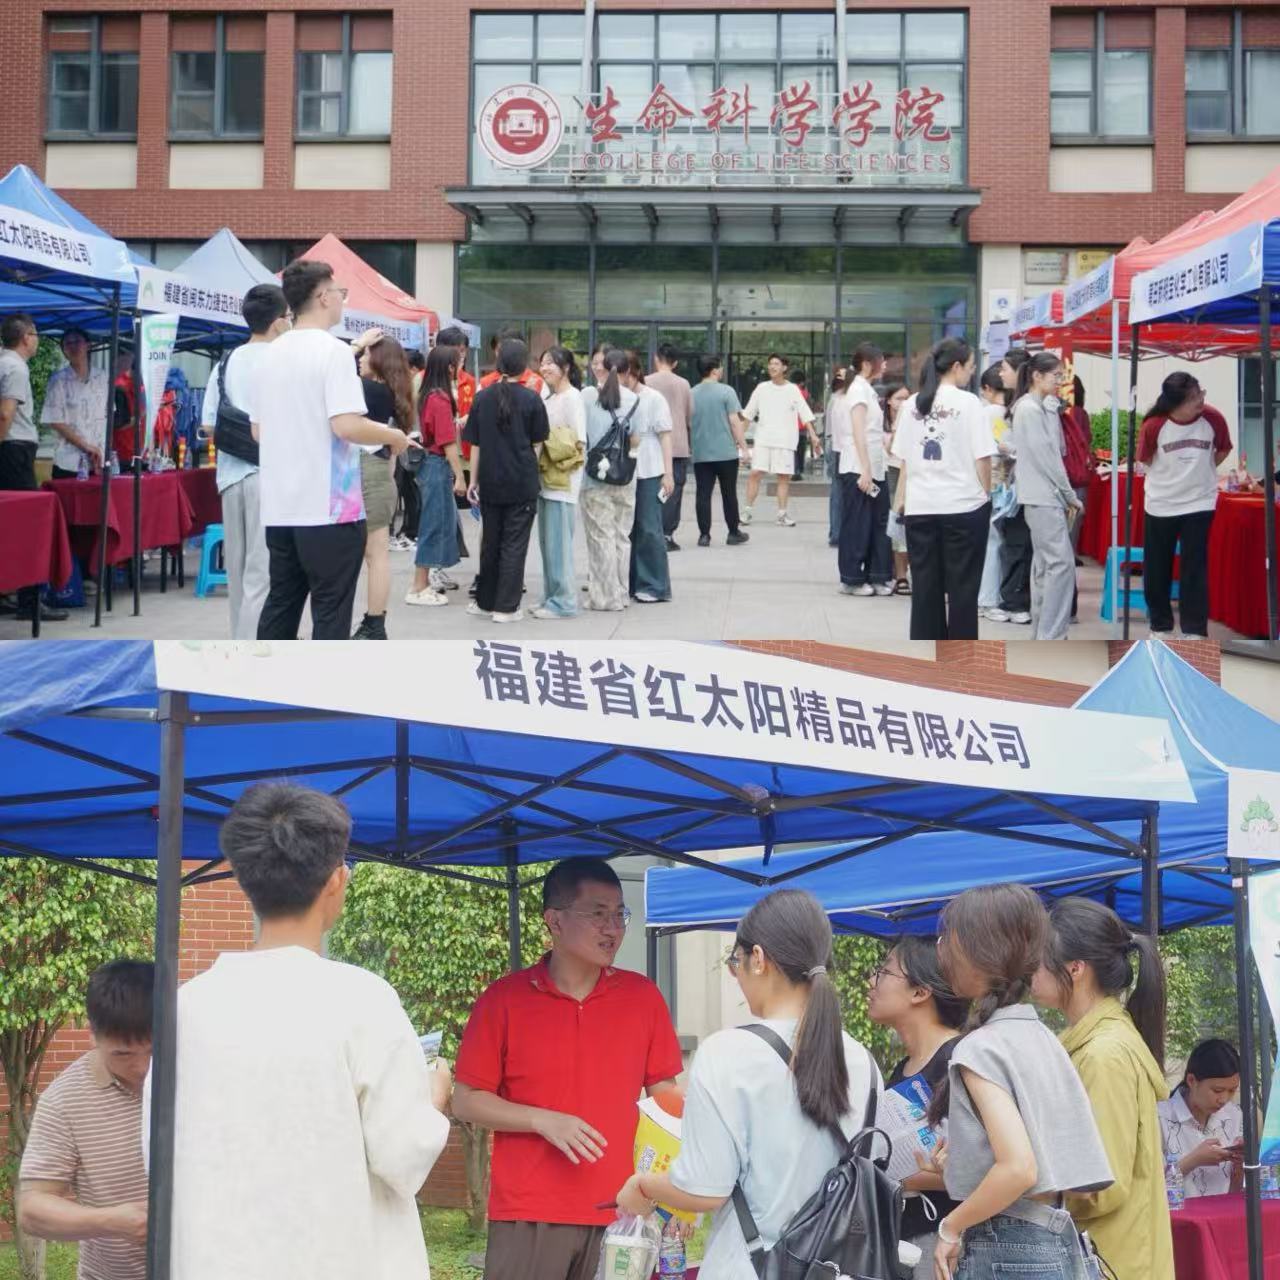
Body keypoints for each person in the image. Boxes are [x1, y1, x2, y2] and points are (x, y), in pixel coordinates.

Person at [152, 783, 451, 1280]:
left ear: (243, 879)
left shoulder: (185, 1008)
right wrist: (433, 1096)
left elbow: (158, 1159)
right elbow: (403, 1156)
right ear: (336, 880)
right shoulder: (362, 1000)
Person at [614, 889, 882, 1280]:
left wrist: (642, 1185)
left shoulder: (727, 1053)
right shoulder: (863, 1061)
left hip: (749, 1268)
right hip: (838, 1270)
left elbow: (704, 1188)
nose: (735, 974)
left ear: (757, 959)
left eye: (734, 961)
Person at [453, 858, 683, 1280]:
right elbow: (466, 1101)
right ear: (554, 921)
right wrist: (542, 1120)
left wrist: (675, 1192)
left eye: (619, 915)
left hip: (623, 1211)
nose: (613, 929)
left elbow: (665, 1101)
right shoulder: (503, 1000)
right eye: (598, 914)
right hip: (529, 1213)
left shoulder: (643, 997)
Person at [929, 883, 1113, 1280]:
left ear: (981, 951)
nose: (941, 950)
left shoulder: (981, 1047)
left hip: (1007, 1243)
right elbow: (1073, 1176)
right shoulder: (1044, 1036)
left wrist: (950, 1227)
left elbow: (1019, 1168)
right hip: (1056, 1237)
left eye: (949, 939)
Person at [250, 259, 412, 640]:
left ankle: (264, 676)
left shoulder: (268, 354)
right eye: (341, 293)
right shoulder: (334, 352)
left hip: (280, 506)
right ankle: (324, 678)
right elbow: (346, 425)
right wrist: (394, 436)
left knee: (281, 603)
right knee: (331, 611)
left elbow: (258, 431)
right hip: (329, 510)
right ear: (323, 297)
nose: (342, 300)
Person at [1030, 898, 1173, 1280]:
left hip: (1110, 1261)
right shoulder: (1091, 1044)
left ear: (1075, 969)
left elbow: (1100, 1185)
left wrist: (1018, 1181)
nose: (1030, 969)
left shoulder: (1103, 1055)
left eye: (1038, 958)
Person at [18, 961, 154, 1280]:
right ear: (93, 1033)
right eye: (123, 1054)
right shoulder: (64, 1100)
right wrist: (112, 1221)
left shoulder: (195, 1072)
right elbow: (32, 1209)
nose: (143, 1068)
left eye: (153, 1050)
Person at [866, 936, 969, 1280]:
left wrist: (887, 1176)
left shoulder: (961, 1060)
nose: (871, 981)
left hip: (946, 1245)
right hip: (905, 1241)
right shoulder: (903, 1068)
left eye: (883, 972)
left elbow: (982, 1171)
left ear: (920, 992)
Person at [199, 284, 290, 640]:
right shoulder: (282, 361)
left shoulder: (225, 363)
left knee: (236, 571)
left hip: (229, 476)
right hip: (269, 475)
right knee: (261, 572)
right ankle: (251, 649)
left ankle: (239, 640)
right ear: (279, 321)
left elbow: (209, 425)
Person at [890, 339, 996, 640]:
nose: (972, 373)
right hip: (963, 507)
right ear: (956, 366)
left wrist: (901, 500)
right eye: (971, 366)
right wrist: (985, 496)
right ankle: (961, 656)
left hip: (921, 508)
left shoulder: (911, 404)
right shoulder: (970, 403)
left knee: (925, 592)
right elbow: (983, 459)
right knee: (963, 592)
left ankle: (925, 653)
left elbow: (905, 459)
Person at [1136, 372, 1231, 638]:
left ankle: (1195, 629)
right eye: (1193, 398)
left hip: (1200, 501)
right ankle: (1161, 626)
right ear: (1175, 403)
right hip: (1162, 502)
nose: (1200, 400)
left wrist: (1201, 470)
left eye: (1201, 393)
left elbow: (1223, 449)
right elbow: (1145, 459)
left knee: (1195, 567)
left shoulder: (1213, 418)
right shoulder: (1154, 425)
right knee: (1157, 567)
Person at [464, 337, 549, 623]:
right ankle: (506, 608)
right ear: (524, 366)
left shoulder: (482, 398)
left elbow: (475, 444)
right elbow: (538, 443)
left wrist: (473, 481)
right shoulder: (531, 399)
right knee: (514, 544)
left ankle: (485, 602)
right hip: (521, 480)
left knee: (491, 543)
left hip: (489, 479)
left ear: (498, 363)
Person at [347, 329, 417, 639]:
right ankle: (375, 623)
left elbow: (326, 372)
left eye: (366, 355)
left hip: (360, 473)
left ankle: (369, 624)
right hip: (380, 475)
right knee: (377, 556)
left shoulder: (361, 388)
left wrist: (355, 345)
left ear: (378, 360)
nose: (361, 359)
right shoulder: (395, 396)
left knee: (362, 555)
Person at [0, 313, 67, 623]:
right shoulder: (15, 367)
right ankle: (29, 600)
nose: (38, 339)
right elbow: (6, 413)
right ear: (26, 337)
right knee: (28, 524)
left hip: (11, 449)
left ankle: (8, 593)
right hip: (13, 449)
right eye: (36, 333)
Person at [1010, 353, 1082, 641]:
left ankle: (1044, 631)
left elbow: (1056, 449)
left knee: (1046, 566)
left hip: (1043, 496)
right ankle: (1051, 633)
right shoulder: (1029, 409)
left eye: (1062, 376)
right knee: (1059, 566)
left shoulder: (1038, 407)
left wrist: (1052, 411)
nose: (1060, 381)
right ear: (1037, 376)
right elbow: (1049, 457)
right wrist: (1069, 494)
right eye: (1056, 376)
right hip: (1043, 496)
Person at [580, 348, 642, 611]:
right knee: (621, 537)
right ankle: (621, 593)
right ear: (628, 371)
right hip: (625, 477)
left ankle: (605, 597)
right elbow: (636, 440)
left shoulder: (587, 396)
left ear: (602, 368)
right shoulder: (635, 400)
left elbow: (581, 434)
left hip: (596, 477)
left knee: (600, 537)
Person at [406, 344, 467, 610]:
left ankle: (423, 583)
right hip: (436, 465)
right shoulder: (440, 398)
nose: (460, 367)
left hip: (429, 464)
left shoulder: (427, 394)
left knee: (434, 522)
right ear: (449, 367)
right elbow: (448, 442)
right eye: (458, 363)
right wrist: (460, 476)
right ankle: (419, 586)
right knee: (433, 523)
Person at [534, 345, 587, 618]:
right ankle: (550, 596)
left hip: (562, 482)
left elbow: (579, 443)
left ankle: (564, 602)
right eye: (542, 362)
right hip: (547, 480)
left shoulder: (572, 398)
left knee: (559, 546)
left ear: (565, 368)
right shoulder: (550, 397)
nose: (544, 368)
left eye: (550, 363)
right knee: (548, 545)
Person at [1158, 1039, 1245, 1198]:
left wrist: (1240, 1167)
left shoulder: (1234, 1114)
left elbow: (1235, 1192)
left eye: (1232, 1091)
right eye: (1217, 1090)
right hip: (1175, 1214)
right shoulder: (1159, 1117)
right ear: (1191, 1081)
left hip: (1224, 1211)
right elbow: (1149, 1189)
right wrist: (1194, 1160)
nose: (1224, 1099)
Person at [838, 343, 893, 597]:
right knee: (858, 525)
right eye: (882, 360)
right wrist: (865, 470)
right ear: (867, 364)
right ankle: (851, 579)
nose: (885, 365)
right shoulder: (857, 390)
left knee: (877, 523)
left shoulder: (867, 389)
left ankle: (877, 575)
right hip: (859, 467)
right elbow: (858, 432)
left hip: (875, 466)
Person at [742, 354, 818, 527]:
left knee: (783, 477)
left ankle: (782, 515)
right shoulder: (761, 388)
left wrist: (813, 436)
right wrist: (739, 438)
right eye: (770, 364)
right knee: (755, 474)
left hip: (785, 441)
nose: (772, 367)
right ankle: (747, 512)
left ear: (784, 368)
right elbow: (748, 414)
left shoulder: (792, 390)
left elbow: (805, 414)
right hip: (763, 440)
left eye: (776, 364)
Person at [623, 350, 674, 604]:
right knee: (629, 529)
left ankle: (654, 585)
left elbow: (665, 435)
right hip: (624, 470)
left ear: (633, 372)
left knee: (649, 527)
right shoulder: (617, 397)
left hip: (650, 469)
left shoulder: (653, 398)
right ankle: (634, 582)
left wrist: (668, 473)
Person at [689, 355, 749, 548]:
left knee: (703, 494)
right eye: (721, 367)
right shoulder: (727, 391)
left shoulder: (691, 393)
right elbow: (734, 422)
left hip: (701, 453)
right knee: (729, 493)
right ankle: (733, 533)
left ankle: (704, 535)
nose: (722, 370)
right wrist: (744, 448)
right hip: (726, 453)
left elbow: (688, 422)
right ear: (714, 370)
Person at [994, 348, 1033, 626]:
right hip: (1015, 487)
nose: (1000, 373)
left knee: (1018, 545)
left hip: (1025, 489)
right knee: (1015, 543)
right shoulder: (1019, 403)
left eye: (1005, 368)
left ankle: (1016, 603)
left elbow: (1034, 449)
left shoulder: (1026, 406)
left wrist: (1008, 448)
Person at [43, 328, 111, 480]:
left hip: (99, 461)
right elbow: (55, 421)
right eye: (68, 344)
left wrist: (103, 451)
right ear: (64, 351)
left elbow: (109, 416)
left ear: (88, 345)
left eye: (77, 342)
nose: (73, 346)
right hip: (68, 462)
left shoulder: (103, 377)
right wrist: (86, 447)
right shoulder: (58, 380)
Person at [645, 343, 693, 552]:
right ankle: (667, 534)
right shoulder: (684, 384)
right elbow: (689, 415)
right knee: (674, 492)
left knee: (651, 489)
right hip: (678, 444)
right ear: (675, 363)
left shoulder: (646, 381)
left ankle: (652, 530)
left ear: (656, 359)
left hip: (653, 445)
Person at [977, 365, 1013, 623]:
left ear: (988, 389)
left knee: (990, 543)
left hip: (988, 484)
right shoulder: (1007, 413)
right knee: (996, 543)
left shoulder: (987, 413)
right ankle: (989, 599)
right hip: (1003, 486)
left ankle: (985, 599)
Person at [882, 380, 912, 595]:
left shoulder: (914, 418)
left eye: (906, 399)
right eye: (899, 398)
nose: (903, 403)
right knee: (897, 522)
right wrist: (897, 426)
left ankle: (903, 571)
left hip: (912, 473)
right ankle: (900, 575)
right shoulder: (882, 424)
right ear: (889, 401)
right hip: (892, 473)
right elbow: (891, 449)